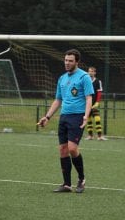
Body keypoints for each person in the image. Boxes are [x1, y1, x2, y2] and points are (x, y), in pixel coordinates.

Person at [37, 49, 94, 193]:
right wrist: (47, 116)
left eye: (70, 61)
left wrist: (86, 116)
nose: (67, 63)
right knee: (62, 150)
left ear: (76, 62)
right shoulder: (62, 78)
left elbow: (89, 98)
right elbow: (58, 100)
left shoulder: (84, 77)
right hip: (64, 117)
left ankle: (81, 179)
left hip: (77, 116)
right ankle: (67, 184)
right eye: (66, 60)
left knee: (72, 149)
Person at [85, 66, 107, 141]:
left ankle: (100, 136)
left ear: (95, 73)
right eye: (89, 71)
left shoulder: (98, 81)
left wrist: (97, 102)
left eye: (92, 71)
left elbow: (99, 93)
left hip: (94, 104)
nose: (90, 73)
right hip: (87, 104)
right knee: (89, 120)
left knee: (97, 119)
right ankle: (90, 136)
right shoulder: (85, 81)